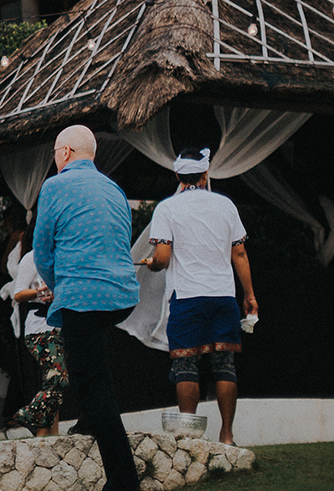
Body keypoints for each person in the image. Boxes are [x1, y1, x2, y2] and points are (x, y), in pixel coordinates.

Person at [33, 125, 141, 491]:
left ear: (64, 152)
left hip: (83, 294)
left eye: (55, 154)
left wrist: (59, 286)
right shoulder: (114, 188)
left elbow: (42, 250)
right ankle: (90, 421)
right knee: (93, 366)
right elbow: (121, 238)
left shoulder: (55, 186)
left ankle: (123, 481)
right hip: (122, 294)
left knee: (92, 383)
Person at [142, 147, 258, 446]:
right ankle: (227, 436)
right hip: (223, 295)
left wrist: (153, 263)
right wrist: (249, 294)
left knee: (186, 365)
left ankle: (188, 438)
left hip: (187, 297)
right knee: (224, 365)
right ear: (206, 174)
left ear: (177, 175)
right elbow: (239, 253)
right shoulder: (226, 205)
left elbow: (163, 258)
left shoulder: (167, 208)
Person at [0, 244, 65, 437]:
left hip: (60, 324)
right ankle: (27, 415)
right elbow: (19, 294)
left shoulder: (65, 254)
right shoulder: (33, 257)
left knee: (54, 383)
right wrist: (42, 293)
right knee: (57, 379)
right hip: (40, 327)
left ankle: (49, 435)